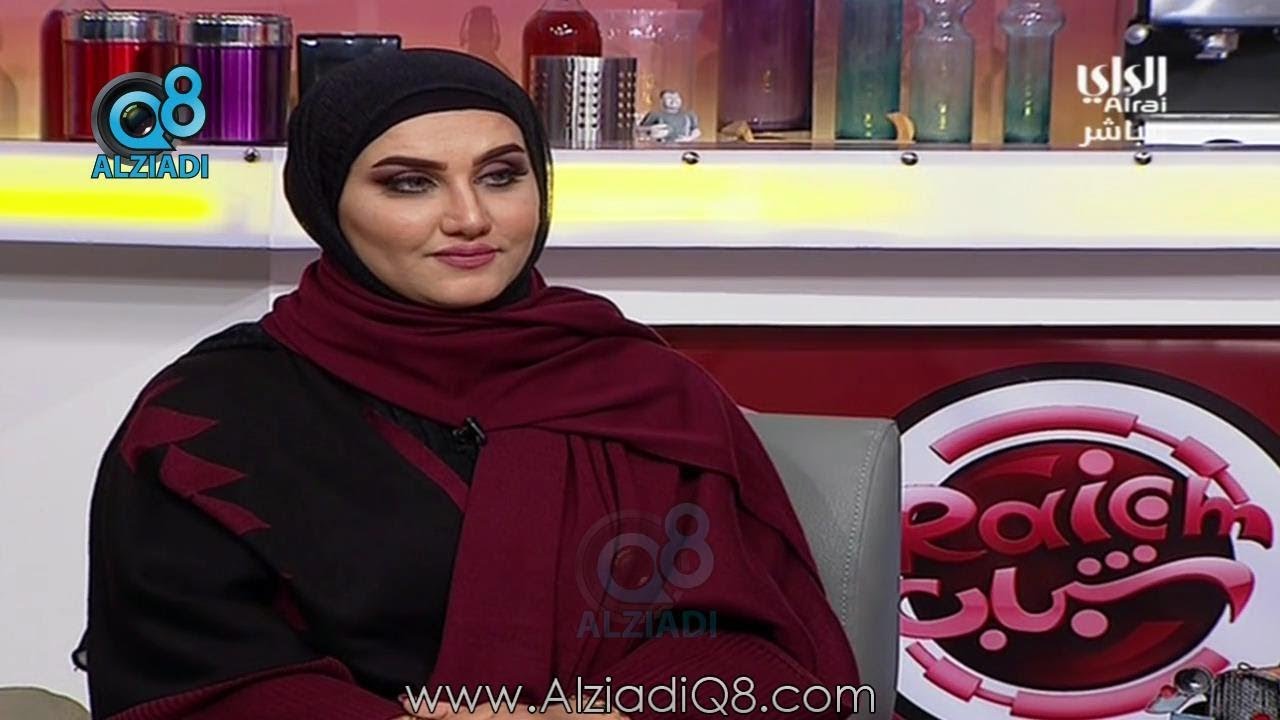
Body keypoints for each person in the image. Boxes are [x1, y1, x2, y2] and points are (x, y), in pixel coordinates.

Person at [72, 49, 860, 720]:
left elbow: (755, 647)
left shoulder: (646, 391)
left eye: (501, 175)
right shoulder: (208, 420)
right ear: (326, 203)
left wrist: (604, 716)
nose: (470, 218)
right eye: (409, 184)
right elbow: (193, 679)